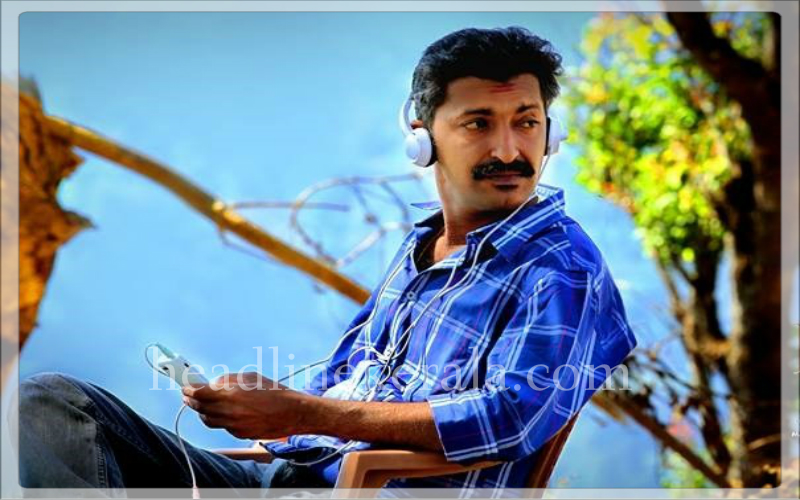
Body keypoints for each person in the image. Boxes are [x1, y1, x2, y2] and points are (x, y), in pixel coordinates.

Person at [11, 26, 637, 498]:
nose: (509, 148)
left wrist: (301, 412)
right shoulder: (420, 252)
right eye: (479, 124)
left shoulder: (561, 268)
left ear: (550, 133)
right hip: (289, 478)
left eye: (526, 123)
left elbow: (510, 418)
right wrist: (261, 408)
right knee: (52, 406)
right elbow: (341, 380)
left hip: (361, 492)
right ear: (422, 139)